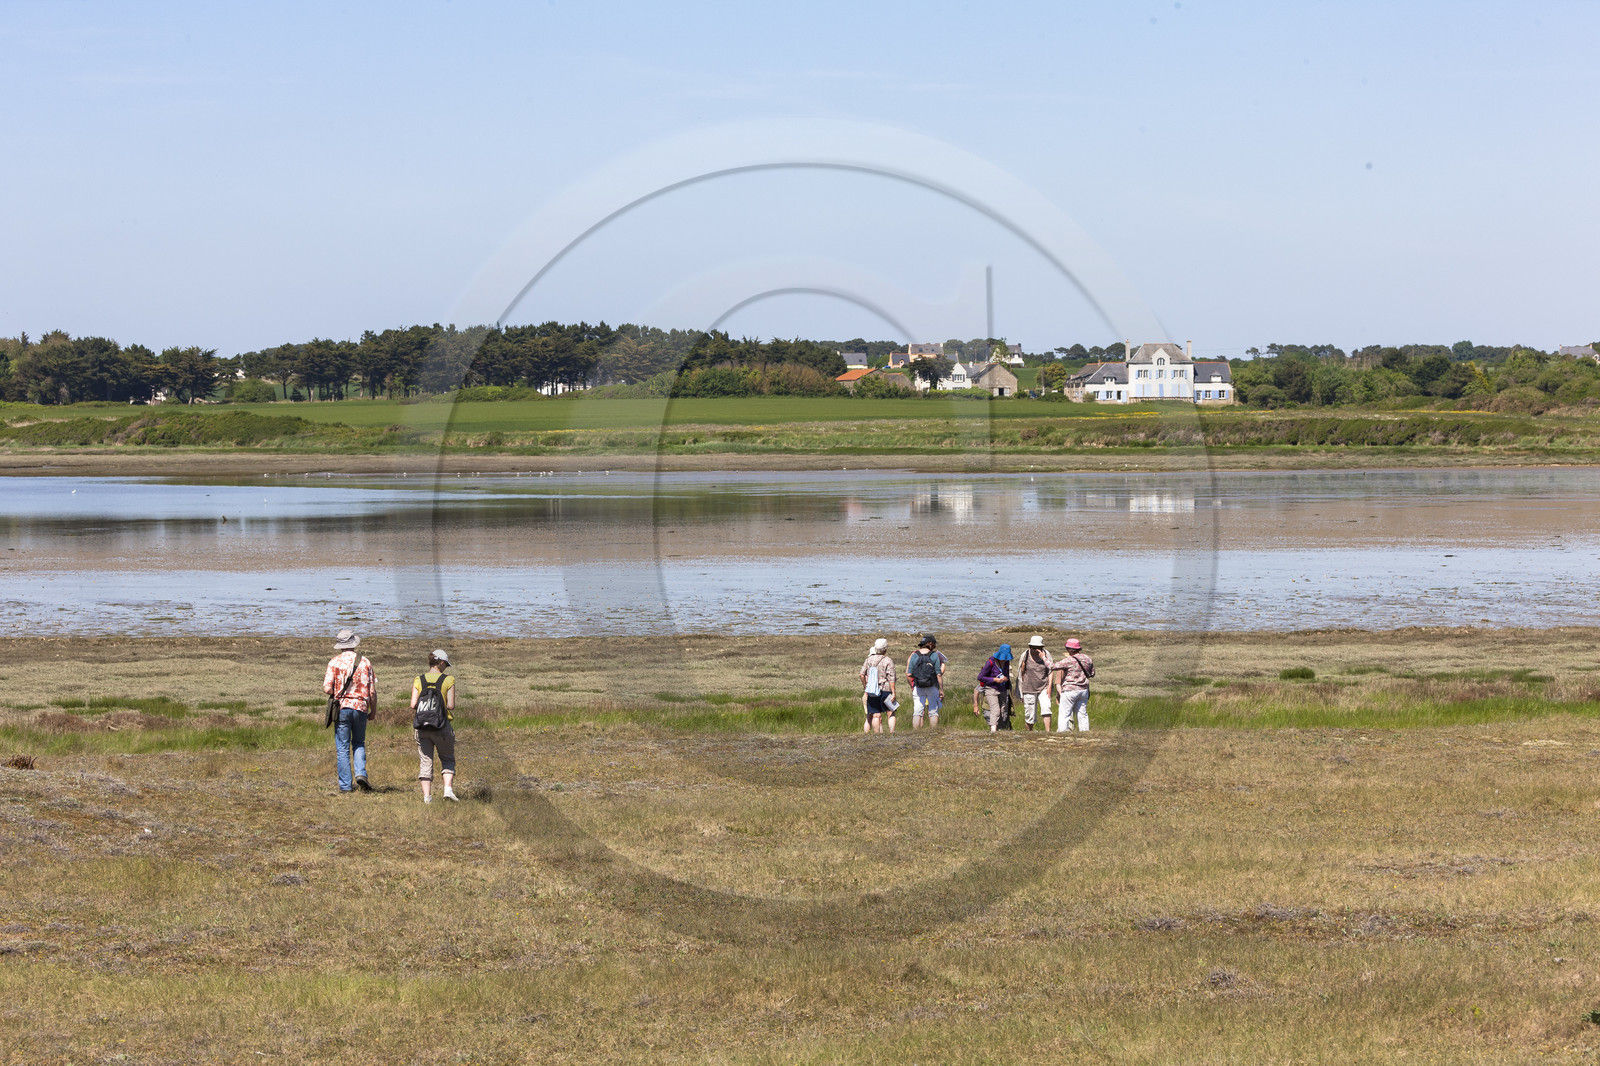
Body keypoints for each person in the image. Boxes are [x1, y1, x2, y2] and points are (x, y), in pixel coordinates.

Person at [322, 628, 377, 793]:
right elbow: (372, 691)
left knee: (343, 747)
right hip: (361, 707)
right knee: (359, 743)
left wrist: (337, 691)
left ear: (340, 645)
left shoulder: (334, 662)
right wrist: (373, 711)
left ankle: (345, 786)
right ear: (353, 643)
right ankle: (361, 774)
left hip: (342, 708)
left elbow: (326, 689)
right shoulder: (365, 662)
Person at [410, 649, 459, 803]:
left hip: (422, 727)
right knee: (447, 758)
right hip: (441, 726)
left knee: (425, 761)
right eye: (446, 665)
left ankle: (427, 798)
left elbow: (413, 704)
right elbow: (450, 706)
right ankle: (448, 790)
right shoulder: (448, 680)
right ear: (441, 663)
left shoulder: (419, 679)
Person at [1052, 637, 1095, 732]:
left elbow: (1052, 666)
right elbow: (1092, 674)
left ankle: (1062, 733)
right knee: (1082, 714)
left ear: (1068, 649)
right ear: (1079, 648)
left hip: (1069, 690)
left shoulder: (1068, 660)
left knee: (1064, 714)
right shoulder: (1087, 658)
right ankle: (1085, 733)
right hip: (1083, 690)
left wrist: (1043, 657)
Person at [905, 634, 948, 729]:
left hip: (918, 686)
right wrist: (941, 689)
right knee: (933, 710)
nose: (935, 646)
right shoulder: (934, 655)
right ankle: (933, 731)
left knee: (917, 711)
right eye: (934, 644)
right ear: (930, 644)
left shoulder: (914, 655)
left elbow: (909, 673)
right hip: (932, 686)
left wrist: (916, 680)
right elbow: (938, 674)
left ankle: (916, 732)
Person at [1018, 635, 1054, 732]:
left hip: (1044, 686)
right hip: (1028, 687)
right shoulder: (1025, 655)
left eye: (1038, 648)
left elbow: (1051, 670)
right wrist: (1021, 690)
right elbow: (1021, 673)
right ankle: (1029, 732)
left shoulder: (1046, 654)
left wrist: (1050, 686)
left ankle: (1048, 732)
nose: (1036, 650)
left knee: (1046, 708)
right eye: (1033, 648)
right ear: (1030, 647)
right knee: (1029, 713)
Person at [860, 637, 897, 734]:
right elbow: (891, 678)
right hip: (886, 689)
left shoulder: (868, 659)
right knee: (891, 711)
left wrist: (866, 686)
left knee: (876, 714)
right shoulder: (888, 660)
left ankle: (877, 735)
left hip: (872, 690)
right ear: (885, 649)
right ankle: (892, 733)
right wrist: (893, 692)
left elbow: (861, 674)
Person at [977, 643, 1014, 733]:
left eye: (1006, 659)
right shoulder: (990, 662)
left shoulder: (1007, 662)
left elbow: (1006, 674)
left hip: (1003, 689)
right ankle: (993, 730)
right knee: (995, 709)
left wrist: (1006, 678)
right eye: (1003, 658)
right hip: (991, 688)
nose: (1004, 660)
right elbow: (980, 677)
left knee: (1003, 710)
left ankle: (1000, 729)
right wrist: (994, 679)